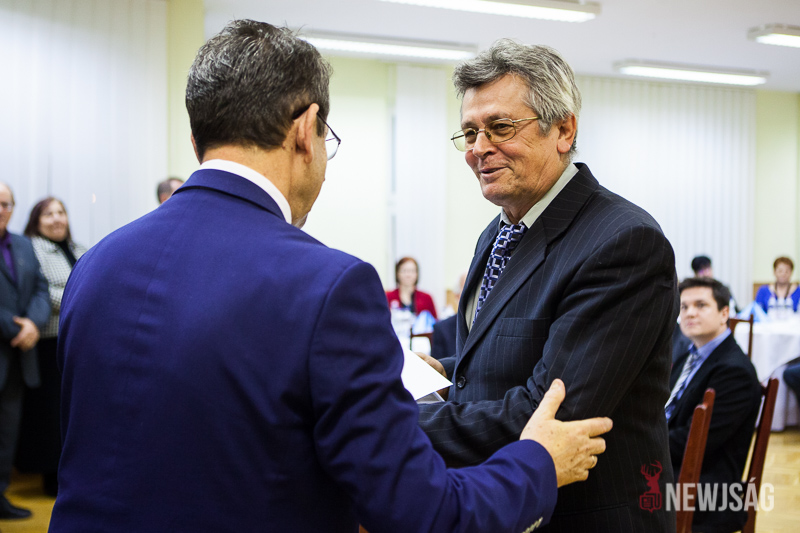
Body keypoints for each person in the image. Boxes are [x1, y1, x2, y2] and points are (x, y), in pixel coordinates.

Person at [49, 21, 613, 533]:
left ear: (198, 141)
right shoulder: (328, 286)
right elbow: (422, 513)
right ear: (306, 130)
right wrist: (536, 463)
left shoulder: (95, 265)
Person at [417, 40, 678, 532]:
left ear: (563, 129)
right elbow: (512, 353)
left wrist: (390, 422)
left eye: (500, 127)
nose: (478, 149)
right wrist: (445, 374)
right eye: (469, 132)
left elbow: (550, 411)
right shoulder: (499, 230)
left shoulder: (624, 242)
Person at [668, 277, 761, 533]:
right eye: (684, 307)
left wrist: (643, 446)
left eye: (701, 305)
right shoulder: (689, 356)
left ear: (724, 313)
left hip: (707, 488)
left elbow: (695, 442)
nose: (690, 313)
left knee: (612, 487)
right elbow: (665, 410)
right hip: (679, 466)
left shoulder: (734, 371)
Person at [15, 198, 87, 496]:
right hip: (47, 343)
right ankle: (51, 477)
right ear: (36, 220)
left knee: (75, 409)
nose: (57, 219)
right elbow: (43, 291)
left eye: (61, 213)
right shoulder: (31, 249)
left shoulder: (79, 248)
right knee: (49, 412)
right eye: (48, 214)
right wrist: (83, 298)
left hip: (77, 342)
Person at [0, 183, 50, 519]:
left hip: (18, 360)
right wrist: (17, 328)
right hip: (9, 342)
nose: (1, 210)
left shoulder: (22, 244)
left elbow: (41, 289)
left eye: (6, 204)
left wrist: (33, 323)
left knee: (7, 433)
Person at [432, 272, 466, 360]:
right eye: (467, 288)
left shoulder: (492, 326)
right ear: (457, 296)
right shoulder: (442, 329)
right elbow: (437, 365)